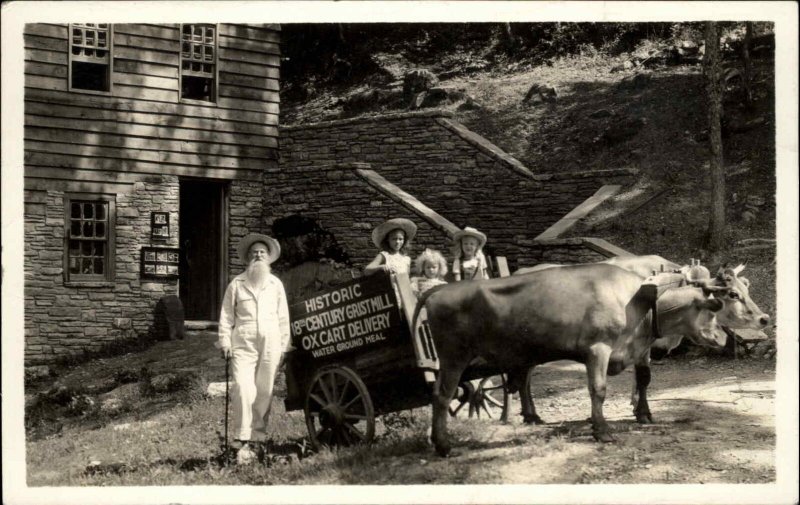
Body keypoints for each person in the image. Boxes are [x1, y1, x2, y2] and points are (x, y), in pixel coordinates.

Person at [216, 233, 291, 465]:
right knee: (242, 387)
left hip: (271, 338)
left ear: (268, 258)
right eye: (254, 252)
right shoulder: (236, 284)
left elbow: (283, 317)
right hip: (243, 340)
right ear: (248, 257)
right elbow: (226, 316)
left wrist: (285, 345)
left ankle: (258, 438)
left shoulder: (275, 284)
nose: (258, 255)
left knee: (265, 389)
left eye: (262, 253)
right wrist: (225, 342)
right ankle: (242, 437)